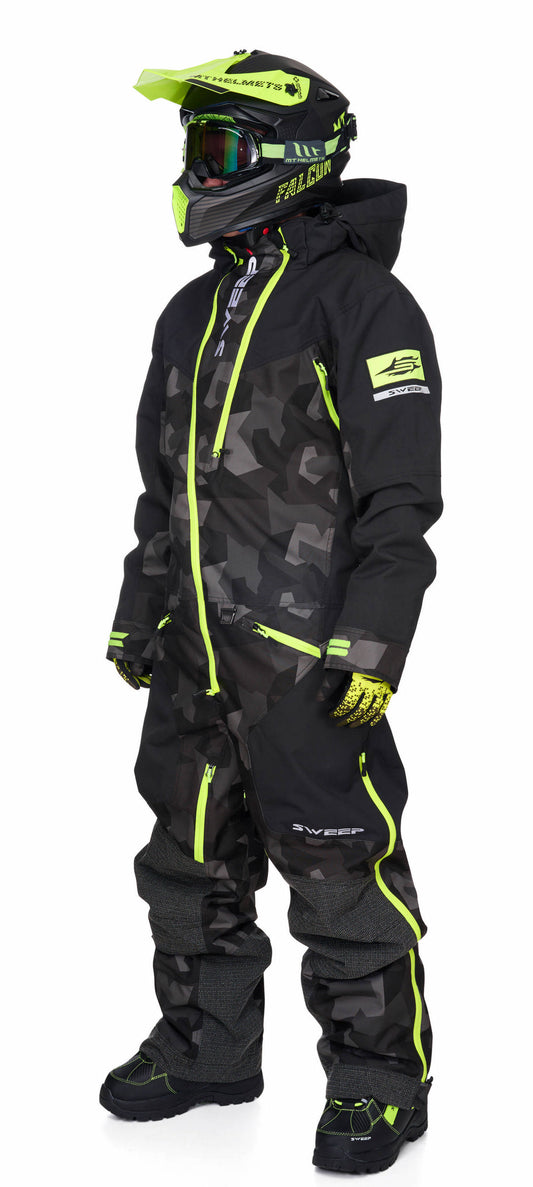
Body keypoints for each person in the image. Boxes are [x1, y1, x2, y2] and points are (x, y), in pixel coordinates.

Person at [100, 50, 442, 1175]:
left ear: (293, 160)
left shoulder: (361, 303)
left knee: (337, 865)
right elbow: (163, 485)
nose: (198, 170)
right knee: (187, 857)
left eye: (219, 148)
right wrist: (140, 608)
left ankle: (377, 1081)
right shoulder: (188, 312)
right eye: (193, 148)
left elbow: (401, 498)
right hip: (194, 654)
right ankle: (207, 1048)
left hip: (307, 660)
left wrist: (372, 640)